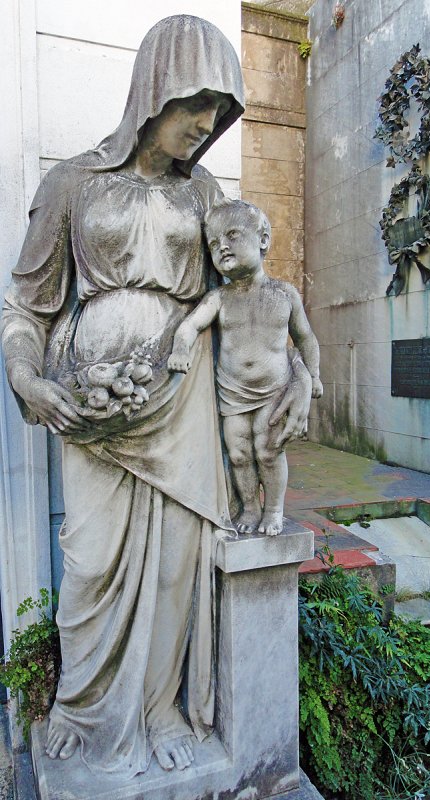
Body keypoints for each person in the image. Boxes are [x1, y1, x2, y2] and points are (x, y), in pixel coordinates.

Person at [1, 15, 312, 779]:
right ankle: (83, 704)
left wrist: (296, 378)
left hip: (180, 403)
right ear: (154, 92)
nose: (208, 126)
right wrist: (25, 377)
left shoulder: (205, 191)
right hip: (93, 406)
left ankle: (163, 710)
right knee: (92, 562)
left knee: (178, 562)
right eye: (197, 104)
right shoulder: (72, 182)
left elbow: (250, 295)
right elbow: (28, 305)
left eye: (221, 112)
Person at [168, 199, 323, 536]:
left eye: (233, 235)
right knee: (239, 453)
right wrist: (181, 347)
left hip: (274, 390)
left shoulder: (285, 294)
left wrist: (314, 374)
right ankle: (250, 508)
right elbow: (190, 326)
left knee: (268, 451)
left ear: (263, 239)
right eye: (213, 243)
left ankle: (274, 509)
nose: (222, 246)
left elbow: (306, 338)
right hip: (233, 392)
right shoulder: (220, 298)